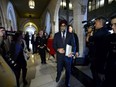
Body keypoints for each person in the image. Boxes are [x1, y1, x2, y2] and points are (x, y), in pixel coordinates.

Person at [53, 20, 76, 87]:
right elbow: (54, 45)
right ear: (60, 26)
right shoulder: (56, 35)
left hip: (68, 57)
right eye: (61, 25)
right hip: (60, 56)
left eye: (64, 25)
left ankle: (67, 82)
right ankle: (58, 76)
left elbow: (74, 45)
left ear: (66, 26)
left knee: (68, 70)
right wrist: (58, 49)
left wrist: (73, 52)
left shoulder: (71, 35)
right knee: (59, 68)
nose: (63, 27)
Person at [89, 17, 110, 87]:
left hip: (98, 63)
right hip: (99, 62)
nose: (94, 25)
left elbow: (89, 41)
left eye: (96, 23)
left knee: (98, 81)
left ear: (101, 23)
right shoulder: (105, 32)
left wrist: (101, 70)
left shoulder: (99, 34)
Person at [102, 15, 116, 87]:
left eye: (115, 24)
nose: (112, 27)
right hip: (110, 72)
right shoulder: (110, 38)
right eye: (112, 25)